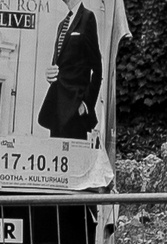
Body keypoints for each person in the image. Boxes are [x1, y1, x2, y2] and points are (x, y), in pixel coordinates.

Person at [37, 0, 102, 140]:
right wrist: (50, 73)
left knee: (75, 159)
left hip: (75, 108)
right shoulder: (62, 25)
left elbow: (97, 69)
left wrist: (86, 104)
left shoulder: (87, 18)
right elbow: (58, 64)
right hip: (56, 107)